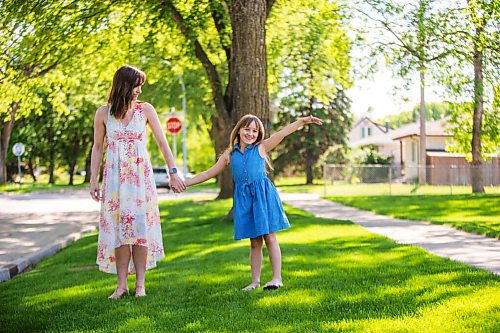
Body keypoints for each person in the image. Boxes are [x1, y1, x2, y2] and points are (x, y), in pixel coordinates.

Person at [184, 114, 322, 290]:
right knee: (255, 241)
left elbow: (281, 134)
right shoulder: (230, 154)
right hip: (245, 199)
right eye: (247, 129)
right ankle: (255, 281)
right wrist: (185, 183)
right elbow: (208, 173)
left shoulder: (261, 147)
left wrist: (302, 122)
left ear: (259, 134)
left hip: (263, 196)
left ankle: (276, 278)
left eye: (254, 131)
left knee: (270, 237)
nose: (250, 133)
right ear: (239, 130)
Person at [90, 65, 186, 299]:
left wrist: (173, 172)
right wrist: (93, 178)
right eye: (136, 85)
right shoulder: (103, 113)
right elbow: (98, 147)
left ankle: (140, 285)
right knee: (119, 233)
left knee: (140, 230)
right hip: (114, 180)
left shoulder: (146, 110)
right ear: (124, 85)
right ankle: (121, 285)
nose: (139, 90)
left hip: (140, 179)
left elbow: (163, 143)